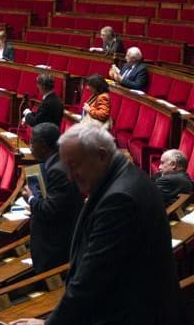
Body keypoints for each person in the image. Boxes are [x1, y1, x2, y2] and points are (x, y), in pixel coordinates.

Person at [10, 123, 182, 325]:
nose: (70, 176)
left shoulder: (119, 199)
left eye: (74, 165)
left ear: (101, 155)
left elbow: (91, 279)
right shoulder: (126, 178)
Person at [20, 122, 83, 273]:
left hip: (54, 247)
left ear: (42, 145)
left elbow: (51, 210)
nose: (30, 146)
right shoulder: (58, 162)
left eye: (32, 141)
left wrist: (31, 199)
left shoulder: (58, 171)